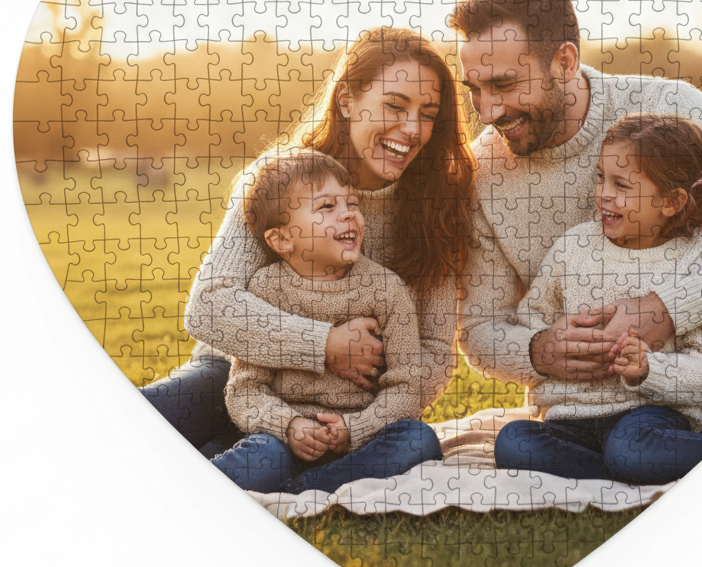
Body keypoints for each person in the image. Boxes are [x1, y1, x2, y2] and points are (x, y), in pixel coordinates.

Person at [451, 0, 702, 437]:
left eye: (504, 85)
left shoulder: (670, 106)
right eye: (475, 89)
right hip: (593, 402)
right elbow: (481, 328)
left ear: (565, 62)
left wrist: (665, 308)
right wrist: (539, 351)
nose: (487, 112)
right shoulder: (480, 175)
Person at [141, 26, 475, 457]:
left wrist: (360, 419)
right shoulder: (278, 180)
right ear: (347, 100)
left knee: (414, 445)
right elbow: (208, 306)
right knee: (133, 422)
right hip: (240, 381)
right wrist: (326, 346)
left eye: (428, 114)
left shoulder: (438, 207)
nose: (412, 128)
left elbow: (432, 352)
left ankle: (287, 473)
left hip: (351, 410)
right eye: (395, 105)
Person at [495, 113, 702, 484]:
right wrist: (548, 342)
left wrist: (648, 369)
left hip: (648, 416)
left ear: (671, 201)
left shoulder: (696, 261)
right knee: (513, 443)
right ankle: (619, 470)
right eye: (601, 178)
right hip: (570, 418)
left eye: (622, 185)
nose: (604, 193)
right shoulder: (573, 247)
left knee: (632, 448)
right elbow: (532, 323)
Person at [209, 149, 440, 494]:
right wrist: (289, 425)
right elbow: (245, 389)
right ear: (282, 240)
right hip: (284, 440)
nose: (348, 215)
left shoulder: (387, 290)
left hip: (361, 441)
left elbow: (407, 388)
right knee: (261, 459)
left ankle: (303, 487)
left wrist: (355, 428)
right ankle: (185, 488)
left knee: (418, 442)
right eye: (327, 207)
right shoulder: (266, 288)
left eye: (353, 204)